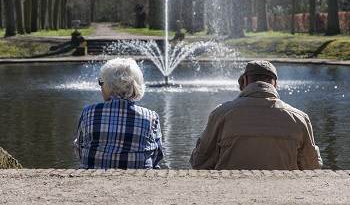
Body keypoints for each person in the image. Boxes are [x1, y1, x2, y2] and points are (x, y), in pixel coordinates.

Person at [190, 60, 322, 170]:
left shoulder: (221, 114)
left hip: (231, 193)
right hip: (282, 194)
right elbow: (312, 166)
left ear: (244, 81)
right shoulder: (299, 118)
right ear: (275, 84)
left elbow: (199, 162)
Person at [74, 58, 163, 169]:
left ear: (108, 85)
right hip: (138, 178)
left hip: (93, 175)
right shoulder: (151, 117)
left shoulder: (89, 113)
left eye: (101, 82)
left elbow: (79, 149)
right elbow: (157, 155)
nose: (100, 87)